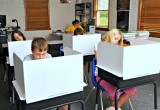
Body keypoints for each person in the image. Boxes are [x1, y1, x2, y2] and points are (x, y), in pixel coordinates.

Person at [94, 28, 137, 110]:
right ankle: (114, 106)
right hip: (102, 75)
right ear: (110, 36)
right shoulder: (99, 45)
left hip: (116, 74)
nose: (117, 41)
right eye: (116, 39)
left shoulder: (117, 47)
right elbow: (100, 62)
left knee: (132, 89)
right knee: (114, 90)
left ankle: (113, 108)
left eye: (118, 40)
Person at [24, 37, 68, 110]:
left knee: (64, 102)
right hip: (35, 89)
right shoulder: (27, 60)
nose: (41, 57)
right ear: (32, 51)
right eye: (38, 54)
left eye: (43, 54)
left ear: (46, 51)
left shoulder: (48, 57)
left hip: (48, 86)